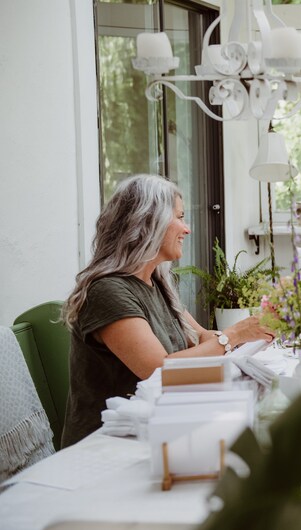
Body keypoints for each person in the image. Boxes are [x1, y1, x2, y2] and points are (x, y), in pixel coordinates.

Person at [61, 175, 274, 447]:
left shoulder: (157, 282)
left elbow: (201, 339)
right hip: (107, 442)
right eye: (180, 217)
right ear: (147, 222)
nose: (187, 229)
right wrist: (233, 335)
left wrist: (244, 334)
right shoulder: (108, 291)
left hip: (159, 427)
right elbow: (158, 370)